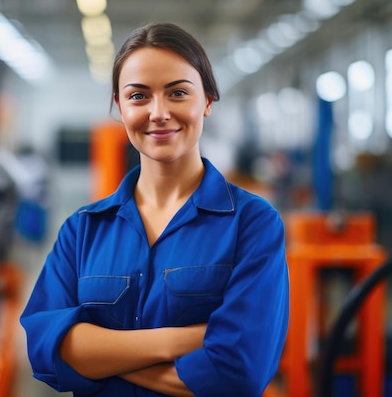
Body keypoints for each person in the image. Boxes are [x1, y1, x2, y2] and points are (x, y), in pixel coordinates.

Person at [19, 22, 289, 397]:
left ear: (208, 100)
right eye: (138, 96)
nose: (158, 112)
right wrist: (176, 342)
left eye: (178, 92)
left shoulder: (252, 224)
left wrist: (98, 359)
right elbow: (46, 351)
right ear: (119, 105)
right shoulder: (82, 231)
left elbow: (240, 372)